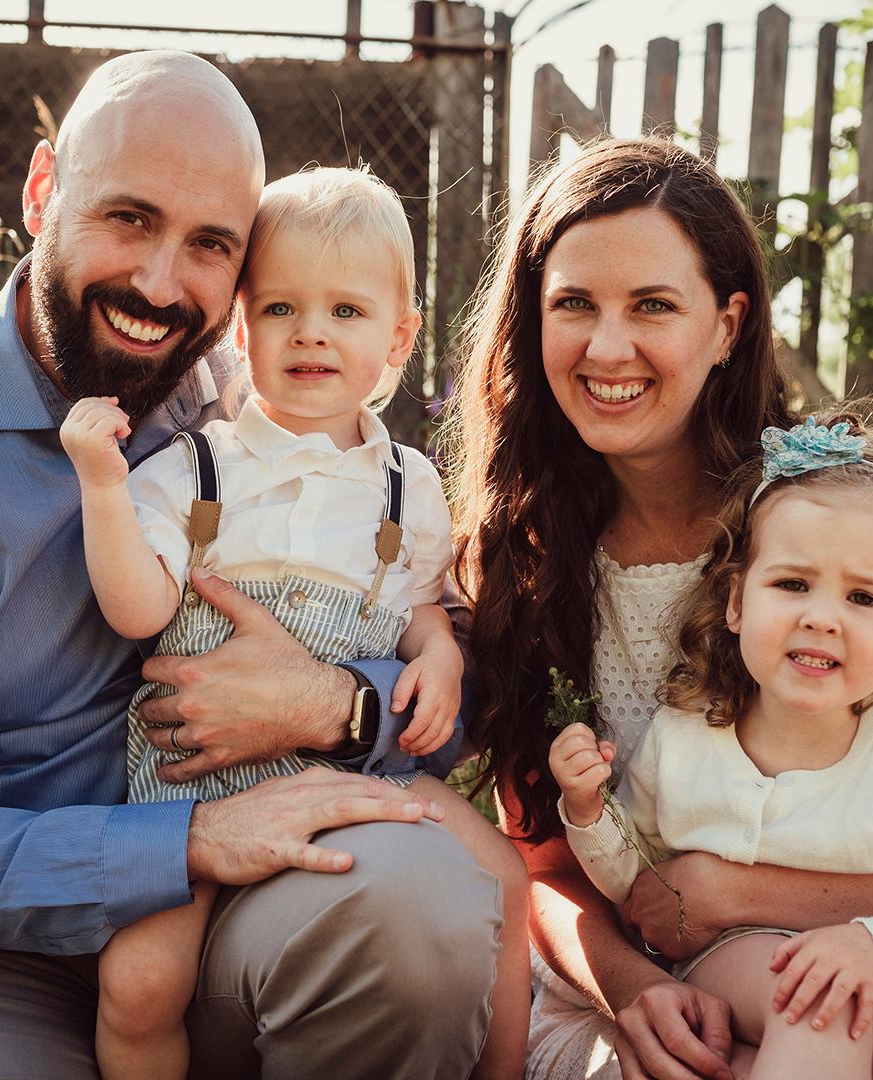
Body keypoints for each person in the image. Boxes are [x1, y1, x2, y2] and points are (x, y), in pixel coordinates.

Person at [0, 52, 502, 1080]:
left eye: (209, 245)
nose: (159, 283)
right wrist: (182, 842)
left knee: (418, 904)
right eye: (129, 219)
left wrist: (342, 706)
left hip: (250, 910)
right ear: (40, 191)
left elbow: (448, 683)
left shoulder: (271, 404)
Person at [444, 136, 873, 1080]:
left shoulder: (834, 532)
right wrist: (631, 989)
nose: (608, 347)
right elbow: (545, 863)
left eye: (653, 305)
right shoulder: (525, 558)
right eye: (574, 303)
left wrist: (734, 893)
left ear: (728, 324)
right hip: (637, 977)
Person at [59, 166, 528, 1080]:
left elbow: (415, 611)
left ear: (398, 337)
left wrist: (436, 655)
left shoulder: (407, 485)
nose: (311, 331)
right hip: (196, 781)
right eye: (280, 309)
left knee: (502, 881)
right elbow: (139, 608)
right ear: (241, 329)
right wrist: (102, 490)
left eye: (346, 312)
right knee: (141, 982)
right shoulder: (197, 469)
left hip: (346, 764)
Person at [550, 411, 873, 1080]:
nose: (822, 617)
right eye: (792, 584)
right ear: (735, 603)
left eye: (865, 599)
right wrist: (587, 811)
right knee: (821, 1008)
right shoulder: (688, 732)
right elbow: (641, 885)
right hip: (746, 960)